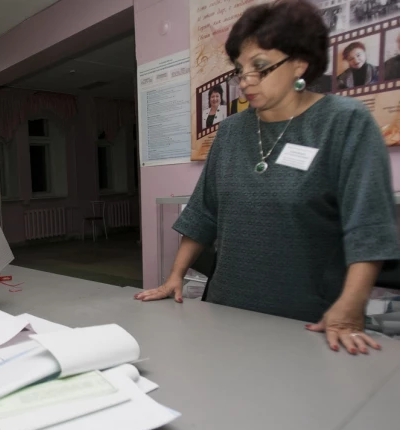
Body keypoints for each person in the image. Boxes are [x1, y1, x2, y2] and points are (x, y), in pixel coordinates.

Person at [135, 0, 400, 355]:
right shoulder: (230, 132)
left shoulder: (345, 122)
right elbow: (204, 213)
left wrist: (349, 310)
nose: (246, 81)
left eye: (260, 68)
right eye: (240, 70)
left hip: (311, 324)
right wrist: (174, 277)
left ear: (299, 63)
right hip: (226, 311)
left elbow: (368, 228)